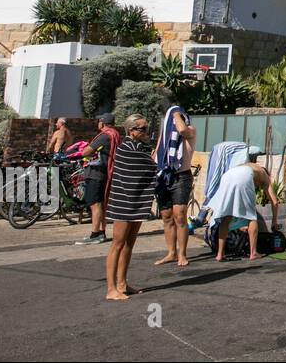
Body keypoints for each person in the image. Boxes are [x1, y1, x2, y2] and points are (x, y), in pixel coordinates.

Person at [104, 116, 158, 301]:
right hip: (123, 201)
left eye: (146, 128)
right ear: (131, 130)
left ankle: (122, 283)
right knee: (117, 244)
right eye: (142, 128)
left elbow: (148, 167)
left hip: (137, 200)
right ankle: (111, 289)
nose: (145, 131)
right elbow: (147, 167)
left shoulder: (141, 148)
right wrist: (153, 164)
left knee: (129, 244)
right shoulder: (125, 148)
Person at [210, 146, 278, 261]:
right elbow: (275, 202)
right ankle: (253, 253)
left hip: (227, 175)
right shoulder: (265, 176)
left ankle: (220, 254)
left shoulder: (249, 165)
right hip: (244, 175)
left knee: (226, 215)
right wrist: (274, 221)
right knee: (252, 217)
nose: (258, 188)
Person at [154, 109, 196, 267]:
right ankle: (171, 253)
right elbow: (158, 152)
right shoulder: (165, 137)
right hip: (164, 177)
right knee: (166, 215)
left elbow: (182, 129)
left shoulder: (190, 130)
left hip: (181, 176)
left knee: (180, 215)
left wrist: (175, 113)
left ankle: (182, 254)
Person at [74, 114, 121, 245]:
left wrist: (83, 149)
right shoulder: (115, 134)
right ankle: (101, 232)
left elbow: (86, 152)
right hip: (104, 172)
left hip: (96, 173)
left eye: (99, 121)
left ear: (102, 123)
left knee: (95, 204)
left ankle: (95, 234)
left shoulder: (105, 136)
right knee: (100, 203)